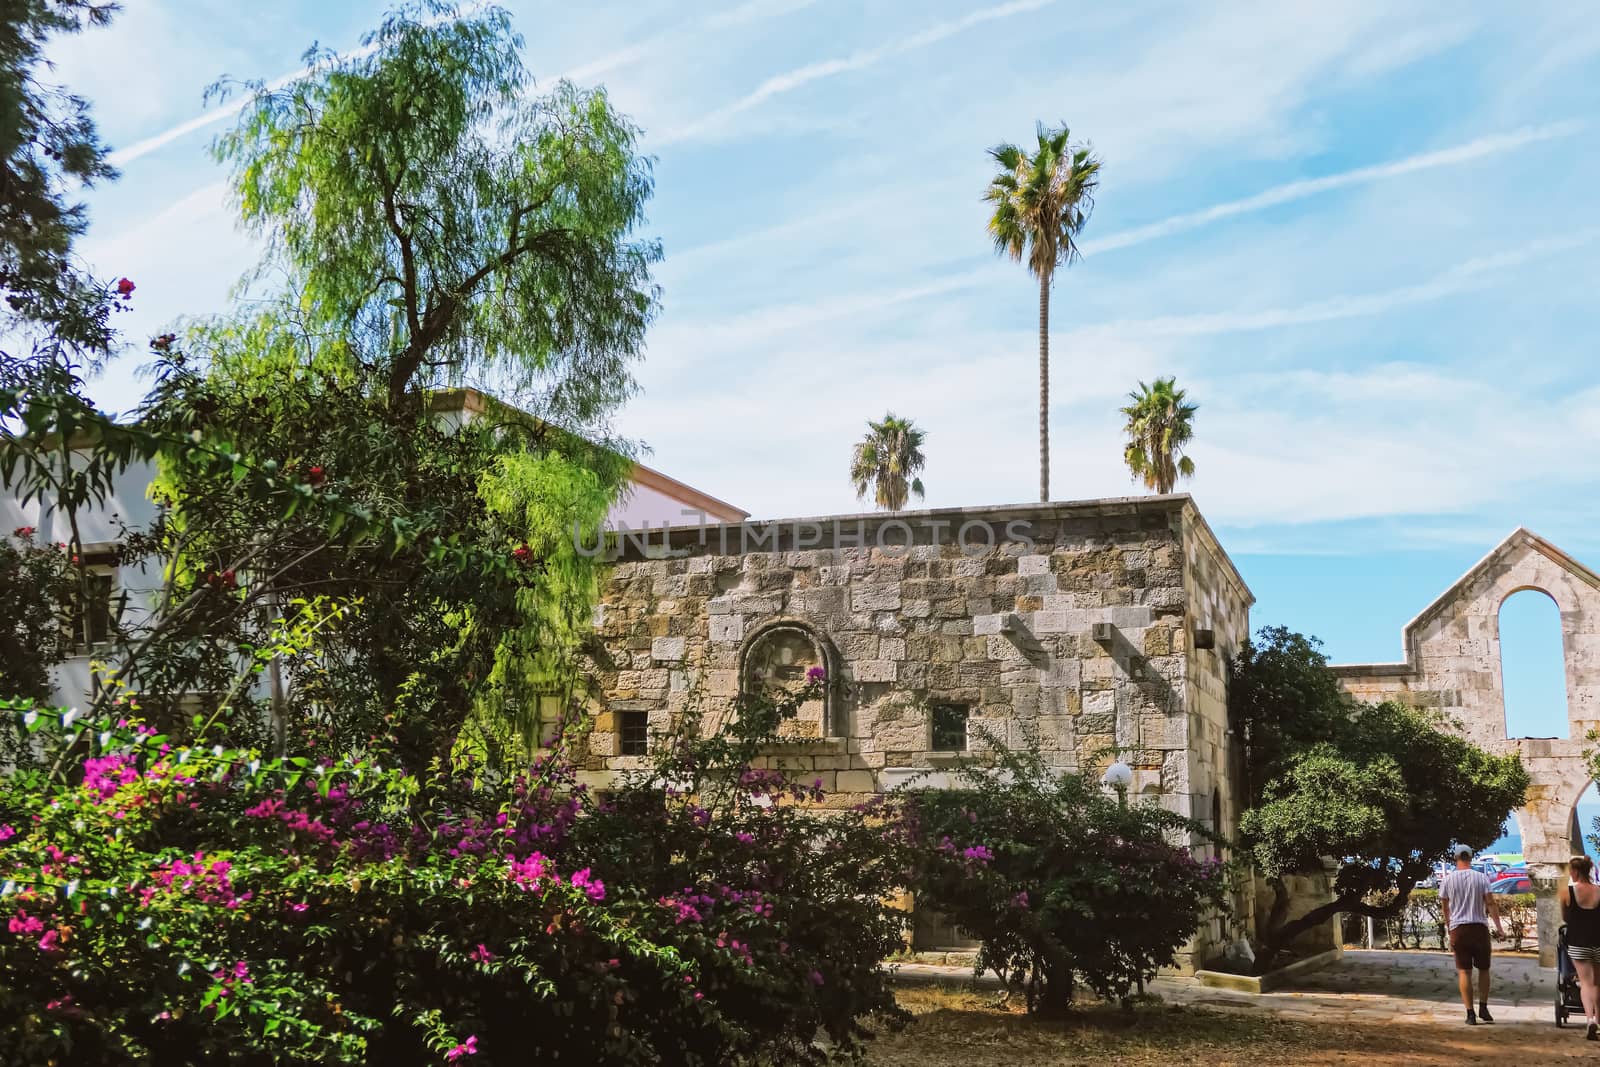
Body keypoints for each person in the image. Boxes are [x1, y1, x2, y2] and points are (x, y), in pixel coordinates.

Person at [1438, 845, 1504, 1025]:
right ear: (1471, 858)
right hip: (1479, 927)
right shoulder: (1481, 878)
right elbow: (1490, 903)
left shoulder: (1447, 880)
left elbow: (1445, 907)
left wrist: (1449, 927)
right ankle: (1483, 1006)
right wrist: (1499, 928)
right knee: (1484, 969)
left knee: (1464, 971)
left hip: (1459, 929)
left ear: (1455, 858)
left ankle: (1470, 1013)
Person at [1563, 855, 1600, 1040]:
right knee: (1597, 983)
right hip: (1598, 941)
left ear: (1575, 871)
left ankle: (1590, 1019)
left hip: (1578, 942)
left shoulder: (1568, 892)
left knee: (1586, 983)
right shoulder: (1599, 891)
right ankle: (1599, 1022)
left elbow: (1565, 918)